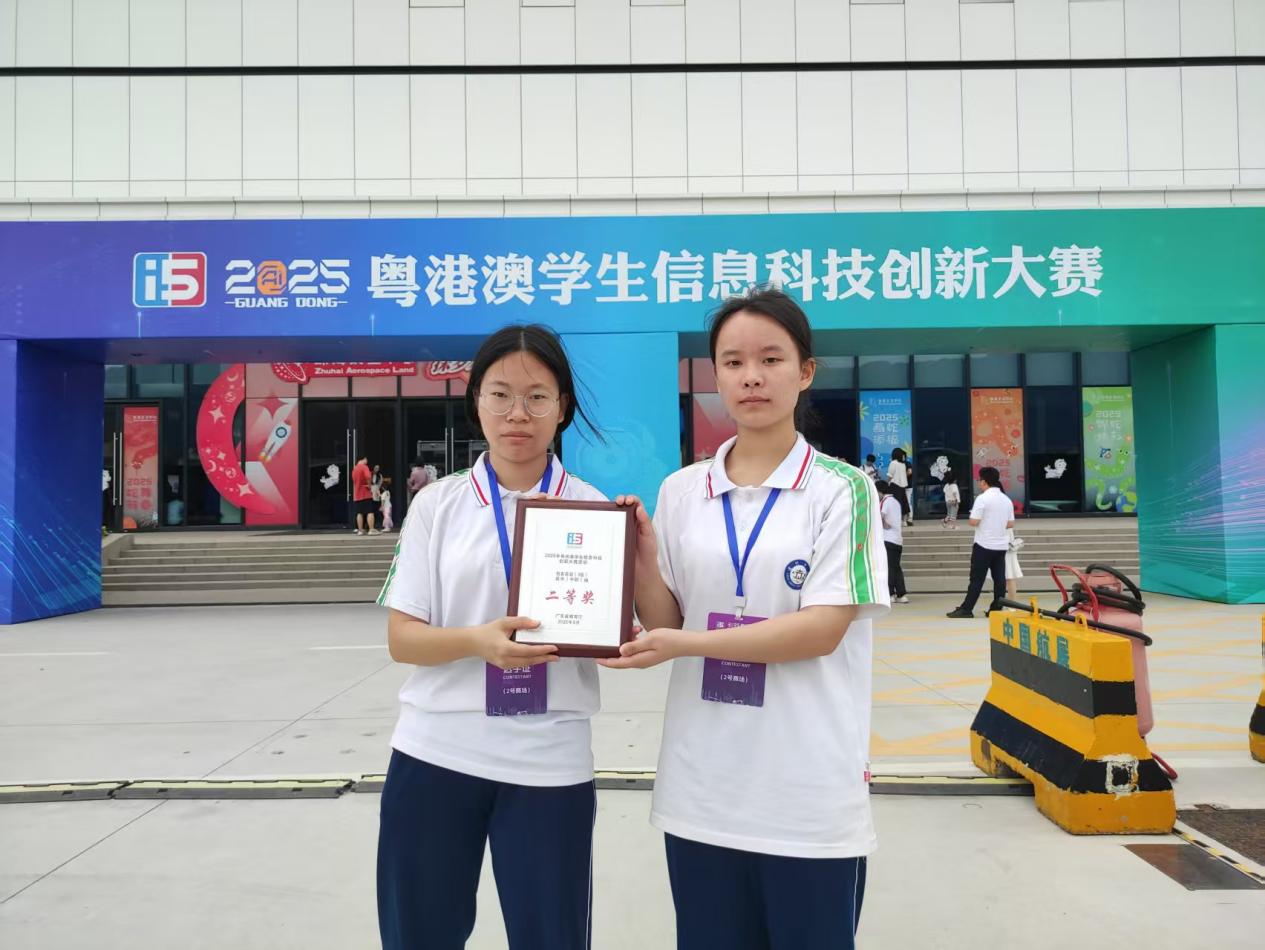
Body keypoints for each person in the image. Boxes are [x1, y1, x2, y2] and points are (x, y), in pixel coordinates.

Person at [605, 287, 888, 950]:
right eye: (732, 362)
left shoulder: (841, 490)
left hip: (806, 796)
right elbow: (668, 617)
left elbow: (821, 630)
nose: (751, 376)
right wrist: (642, 564)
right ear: (716, 375)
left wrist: (685, 643)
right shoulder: (682, 490)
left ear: (805, 371)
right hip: (701, 791)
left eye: (770, 359)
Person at [375, 324, 606, 950]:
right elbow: (403, 638)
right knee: (420, 934)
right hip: (436, 752)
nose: (517, 414)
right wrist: (478, 642)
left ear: (562, 408)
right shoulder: (438, 505)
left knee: (552, 936)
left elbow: (620, 631)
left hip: (548, 759)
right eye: (500, 394)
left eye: (537, 397)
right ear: (476, 400)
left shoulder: (594, 510)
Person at [946, 466, 1015, 619]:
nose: (978, 482)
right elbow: (1010, 523)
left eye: (979, 480)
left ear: (984, 481)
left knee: (976, 579)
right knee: (999, 579)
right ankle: (996, 609)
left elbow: (973, 521)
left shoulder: (982, 498)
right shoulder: (1006, 499)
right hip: (1001, 545)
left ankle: (967, 609)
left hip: (984, 544)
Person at [877, 480, 909, 604]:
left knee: (888, 567)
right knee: (896, 567)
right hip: (898, 540)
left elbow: (879, 517)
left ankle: (890, 594)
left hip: (887, 539)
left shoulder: (884, 502)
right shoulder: (895, 502)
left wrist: (884, 524)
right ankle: (902, 594)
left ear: (880, 491)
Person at [886, 446, 912, 527]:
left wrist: (886, 483)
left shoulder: (893, 463)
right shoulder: (902, 464)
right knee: (904, 503)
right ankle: (904, 521)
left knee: (895, 504)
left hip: (894, 486)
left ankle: (896, 521)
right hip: (903, 486)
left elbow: (890, 475)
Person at [352, 456, 378, 535]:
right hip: (365, 493)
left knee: (359, 513)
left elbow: (354, 480)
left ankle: (360, 530)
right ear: (364, 459)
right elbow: (368, 476)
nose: (367, 461)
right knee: (370, 511)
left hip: (357, 494)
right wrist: (369, 486)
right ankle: (371, 529)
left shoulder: (354, 469)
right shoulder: (364, 467)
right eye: (366, 459)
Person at [1005, 527, 1024, 599]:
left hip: (1007, 550)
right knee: (1008, 577)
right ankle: (1010, 602)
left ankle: (1011, 602)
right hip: (1005, 548)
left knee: (1009, 577)